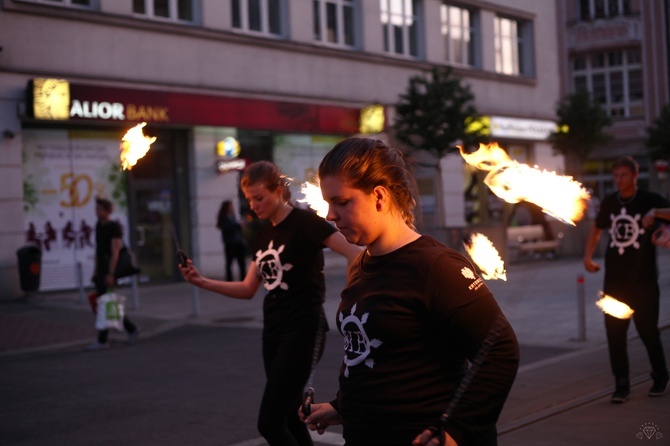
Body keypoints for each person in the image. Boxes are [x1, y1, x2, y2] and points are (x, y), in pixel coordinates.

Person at [300, 137, 519, 446]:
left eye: (341, 202)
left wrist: (456, 431)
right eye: (328, 203)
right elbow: (377, 356)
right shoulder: (361, 264)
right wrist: (341, 407)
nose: (330, 215)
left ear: (379, 197)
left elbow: (500, 352)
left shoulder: (436, 265)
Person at [180, 160, 361, 446]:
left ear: (278, 190)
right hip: (273, 331)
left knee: (270, 423)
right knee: (289, 416)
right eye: (249, 199)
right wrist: (201, 281)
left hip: (303, 329)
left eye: (259, 197)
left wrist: (352, 297)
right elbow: (248, 288)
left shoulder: (306, 223)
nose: (253, 205)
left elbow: (355, 253)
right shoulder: (263, 233)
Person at [583, 156, 670, 403]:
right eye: (615, 176)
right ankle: (621, 384)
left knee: (648, 332)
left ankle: (660, 375)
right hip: (615, 281)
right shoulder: (610, 202)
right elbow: (597, 228)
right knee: (615, 333)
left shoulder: (650, 200)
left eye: (623, 175)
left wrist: (656, 213)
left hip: (643, 280)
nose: (619, 180)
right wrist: (588, 256)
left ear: (634, 175)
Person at [88, 198, 139, 351]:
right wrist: (95, 270)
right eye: (96, 210)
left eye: (100, 210)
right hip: (101, 270)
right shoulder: (98, 226)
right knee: (107, 303)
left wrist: (111, 273)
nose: (97, 212)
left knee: (105, 303)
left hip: (110, 270)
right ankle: (131, 329)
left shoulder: (114, 227)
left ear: (107, 211)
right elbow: (98, 250)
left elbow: (115, 251)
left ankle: (102, 339)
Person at [216, 200, 247, 281]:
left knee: (242, 263)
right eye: (230, 206)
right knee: (229, 264)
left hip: (238, 243)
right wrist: (238, 225)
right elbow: (228, 229)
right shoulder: (224, 219)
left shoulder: (233, 217)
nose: (232, 208)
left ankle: (243, 280)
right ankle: (229, 281)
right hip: (230, 244)